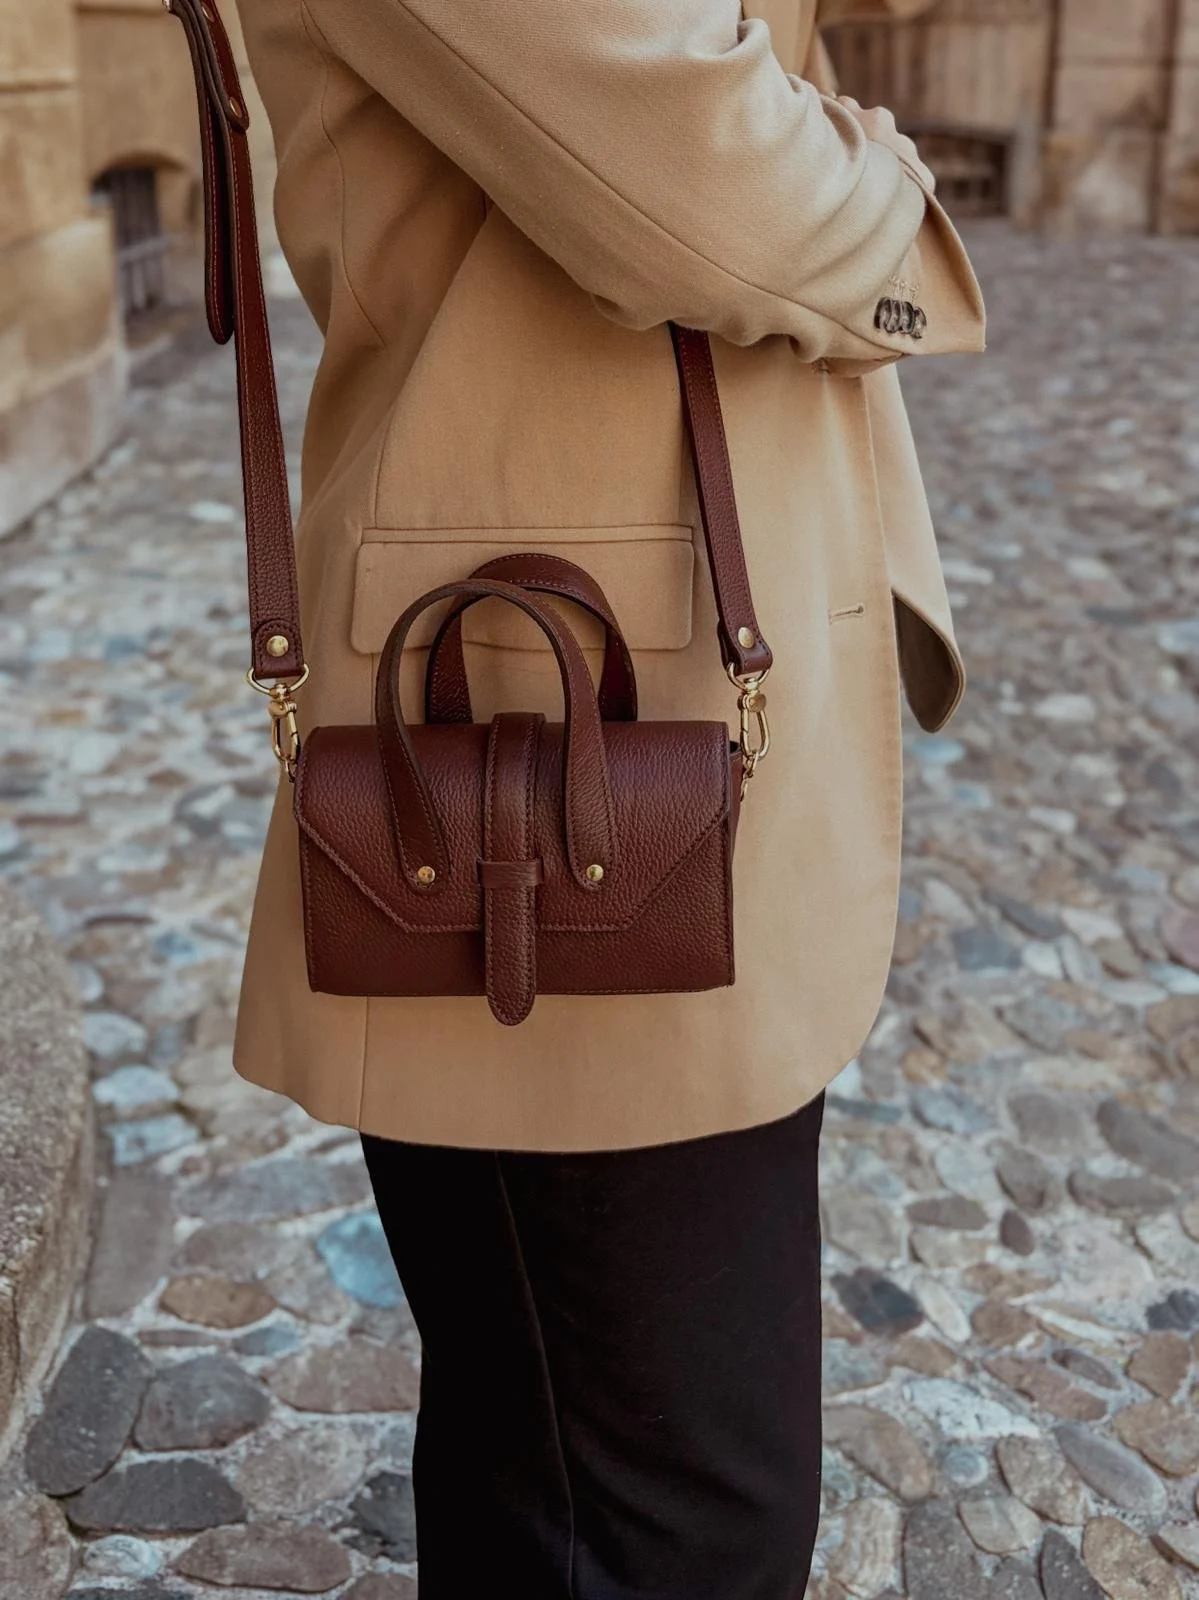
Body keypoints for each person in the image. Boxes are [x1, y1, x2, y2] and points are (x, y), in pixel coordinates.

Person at [230, 0, 984, 1592]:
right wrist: (889, 184)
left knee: (579, 1458)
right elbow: (706, 186)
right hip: (554, 741)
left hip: (651, 690)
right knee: (661, 1512)